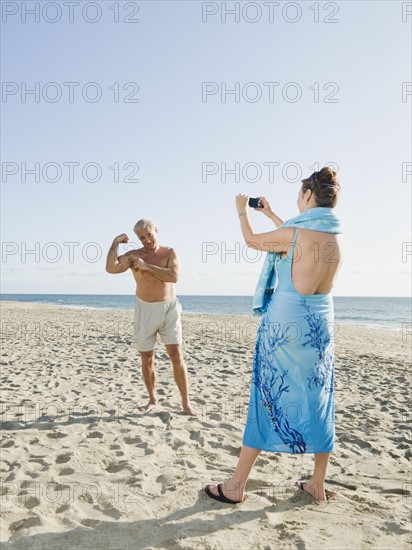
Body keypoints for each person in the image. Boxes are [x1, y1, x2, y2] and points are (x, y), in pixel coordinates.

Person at [205, 167, 343, 503]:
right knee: (319, 398)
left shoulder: (295, 232)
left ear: (309, 196)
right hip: (319, 327)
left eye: (300, 192)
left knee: (266, 395)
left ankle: (236, 485)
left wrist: (241, 211)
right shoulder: (333, 239)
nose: (298, 197)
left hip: (285, 325)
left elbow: (256, 242)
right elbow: (292, 239)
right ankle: (317, 483)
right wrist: (269, 213)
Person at [106, 218, 198, 416]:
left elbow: (173, 277)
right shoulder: (133, 256)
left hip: (169, 308)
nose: (147, 240)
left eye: (149, 234)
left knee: (176, 355)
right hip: (144, 309)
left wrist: (147, 267)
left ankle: (186, 403)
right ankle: (152, 399)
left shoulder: (170, 252)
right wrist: (114, 244)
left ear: (156, 230)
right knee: (147, 357)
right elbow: (111, 268)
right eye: (142, 237)